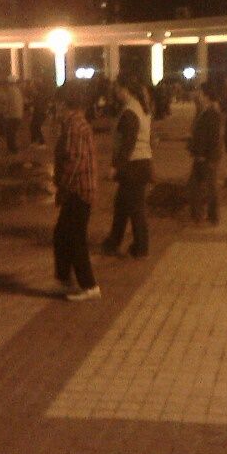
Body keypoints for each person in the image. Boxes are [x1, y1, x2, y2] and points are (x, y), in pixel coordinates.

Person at [52, 85, 101, 301]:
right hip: (80, 189)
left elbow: (75, 161)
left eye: (57, 103)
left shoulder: (74, 126)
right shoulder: (75, 124)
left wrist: (62, 187)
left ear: (64, 104)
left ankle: (89, 285)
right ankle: (65, 278)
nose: (55, 108)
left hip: (78, 190)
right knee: (62, 234)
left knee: (75, 238)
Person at [101, 78, 153, 258]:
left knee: (135, 208)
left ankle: (141, 247)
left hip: (133, 165)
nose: (116, 93)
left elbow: (127, 144)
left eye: (118, 89)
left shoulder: (130, 111)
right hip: (141, 162)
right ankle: (113, 242)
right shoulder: (141, 107)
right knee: (122, 205)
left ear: (126, 90)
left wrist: (116, 167)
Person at [188, 83, 223, 225]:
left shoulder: (212, 113)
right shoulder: (203, 111)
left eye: (200, 92)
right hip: (201, 156)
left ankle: (210, 216)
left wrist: (206, 156)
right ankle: (201, 215)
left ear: (206, 96)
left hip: (207, 157)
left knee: (208, 187)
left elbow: (213, 138)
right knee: (196, 186)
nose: (197, 95)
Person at [4, 81, 24, 153]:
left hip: (12, 115)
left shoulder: (10, 91)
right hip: (18, 114)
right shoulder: (18, 90)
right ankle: (13, 148)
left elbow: (8, 103)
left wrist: (6, 113)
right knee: (13, 132)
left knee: (10, 132)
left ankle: (12, 148)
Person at [29, 81, 49, 147]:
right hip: (39, 112)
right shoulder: (39, 95)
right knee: (33, 126)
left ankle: (42, 142)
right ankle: (34, 141)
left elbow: (38, 104)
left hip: (40, 112)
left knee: (36, 127)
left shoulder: (39, 95)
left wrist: (32, 104)